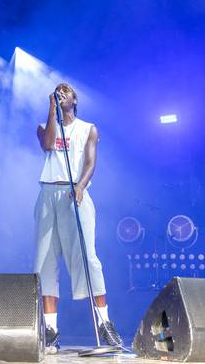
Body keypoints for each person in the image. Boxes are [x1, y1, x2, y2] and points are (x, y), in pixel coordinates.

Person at [34, 83, 122, 352]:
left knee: (87, 259)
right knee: (44, 261)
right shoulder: (44, 126)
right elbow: (48, 144)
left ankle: (105, 324)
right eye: (56, 92)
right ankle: (50, 330)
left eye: (66, 91)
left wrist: (81, 185)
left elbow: (90, 163)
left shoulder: (88, 129)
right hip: (49, 193)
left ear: (75, 98)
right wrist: (52, 110)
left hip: (75, 193)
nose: (61, 94)